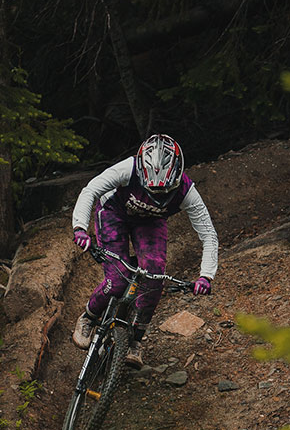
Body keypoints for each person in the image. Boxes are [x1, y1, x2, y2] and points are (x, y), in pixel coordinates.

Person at [70, 134, 218, 368]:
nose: (157, 195)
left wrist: (206, 275)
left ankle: (135, 341)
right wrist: (79, 227)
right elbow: (90, 191)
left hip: (150, 223)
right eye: (151, 189)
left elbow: (208, 235)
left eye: (163, 191)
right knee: (117, 281)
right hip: (113, 213)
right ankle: (88, 317)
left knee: (154, 278)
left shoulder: (187, 191)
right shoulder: (126, 169)